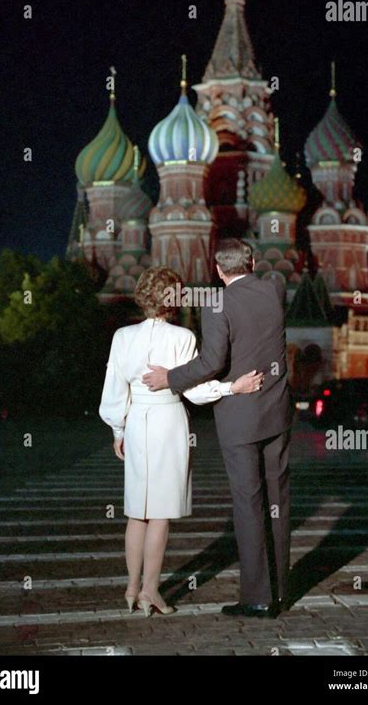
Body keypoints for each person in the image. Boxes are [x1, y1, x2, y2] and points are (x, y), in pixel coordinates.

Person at [99, 265, 264, 617]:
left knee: (135, 513)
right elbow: (196, 389)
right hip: (168, 422)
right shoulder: (183, 337)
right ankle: (150, 592)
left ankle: (130, 588)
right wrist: (233, 387)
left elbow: (114, 389)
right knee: (159, 515)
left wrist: (118, 430)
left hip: (136, 423)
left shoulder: (122, 337)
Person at [143, 239, 293, 618]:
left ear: (218, 270)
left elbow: (212, 361)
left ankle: (257, 597)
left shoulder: (218, 303)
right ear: (253, 262)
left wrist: (170, 377)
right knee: (277, 502)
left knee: (248, 504)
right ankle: (280, 591)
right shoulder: (274, 289)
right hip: (276, 411)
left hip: (241, 416)